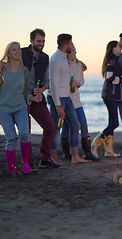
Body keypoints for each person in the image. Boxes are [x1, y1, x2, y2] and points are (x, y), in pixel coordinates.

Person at [21, 29, 60, 170]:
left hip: (37, 97)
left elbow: (46, 81)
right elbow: (7, 64)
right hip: (21, 96)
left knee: (50, 126)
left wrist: (40, 92)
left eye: (43, 41)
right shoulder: (21, 53)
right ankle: (28, 162)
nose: (41, 44)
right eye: (38, 41)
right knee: (26, 131)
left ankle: (45, 160)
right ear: (31, 41)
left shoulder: (45, 58)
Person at [47, 33, 89, 164]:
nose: (73, 46)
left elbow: (73, 62)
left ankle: (75, 156)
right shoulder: (55, 60)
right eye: (71, 44)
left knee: (75, 125)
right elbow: (53, 84)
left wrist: (81, 64)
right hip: (57, 99)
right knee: (55, 128)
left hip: (67, 98)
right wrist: (58, 105)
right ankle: (53, 156)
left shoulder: (64, 57)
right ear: (65, 46)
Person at [0, 41, 37, 175]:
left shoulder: (24, 71)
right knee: (11, 139)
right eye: (14, 50)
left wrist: (31, 98)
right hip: (4, 109)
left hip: (20, 106)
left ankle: (25, 163)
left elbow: (26, 91)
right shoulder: (1, 69)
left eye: (19, 49)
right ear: (8, 54)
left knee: (24, 134)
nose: (18, 52)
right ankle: (11, 167)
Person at [60, 46, 98, 161]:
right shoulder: (63, 65)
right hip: (66, 100)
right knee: (66, 127)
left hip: (76, 101)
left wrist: (78, 83)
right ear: (67, 53)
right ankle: (68, 154)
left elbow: (82, 80)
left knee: (84, 124)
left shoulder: (79, 65)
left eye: (75, 50)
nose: (75, 52)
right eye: (73, 50)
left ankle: (88, 152)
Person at [91, 40, 122, 158]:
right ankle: (95, 145)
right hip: (110, 95)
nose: (121, 48)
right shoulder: (111, 60)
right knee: (115, 123)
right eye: (119, 46)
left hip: (112, 95)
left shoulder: (115, 59)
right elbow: (109, 77)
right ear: (113, 48)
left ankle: (109, 151)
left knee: (111, 123)